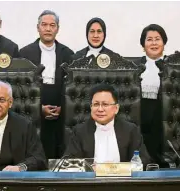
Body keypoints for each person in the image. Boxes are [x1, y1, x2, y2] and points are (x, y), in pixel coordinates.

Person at [19, 10, 75, 159]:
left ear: (58, 28)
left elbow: (72, 88)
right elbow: (20, 89)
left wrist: (64, 107)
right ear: (38, 28)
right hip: (33, 110)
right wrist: (38, 108)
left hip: (61, 111)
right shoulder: (24, 53)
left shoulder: (68, 54)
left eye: (52, 25)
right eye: (44, 25)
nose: (48, 29)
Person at [64, 84, 152, 166]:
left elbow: (144, 161)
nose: (100, 109)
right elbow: (69, 163)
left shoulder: (130, 130)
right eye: (96, 104)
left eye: (105, 104)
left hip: (122, 180)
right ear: (91, 107)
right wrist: (90, 168)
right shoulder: (79, 131)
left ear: (116, 108)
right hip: (90, 181)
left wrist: (118, 169)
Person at [136, 24, 168, 167]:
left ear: (164, 43)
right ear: (143, 45)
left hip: (165, 113)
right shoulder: (135, 66)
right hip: (141, 112)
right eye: (149, 39)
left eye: (157, 39)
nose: (154, 43)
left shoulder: (171, 65)